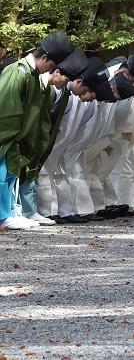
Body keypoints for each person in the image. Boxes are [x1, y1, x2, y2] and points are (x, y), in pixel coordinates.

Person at [0, 30, 74, 230]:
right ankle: (3, 215)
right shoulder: (17, 72)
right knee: (3, 175)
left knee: (10, 177)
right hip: (9, 136)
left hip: (18, 137)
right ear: (44, 57)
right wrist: (11, 136)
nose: (51, 70)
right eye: (51, 65)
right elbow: (7, 110)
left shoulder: (32, 75)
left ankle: (9, 213)